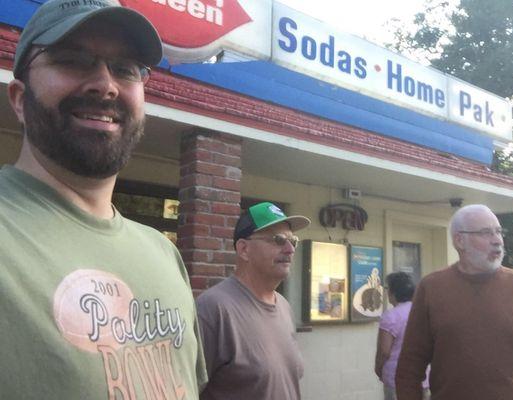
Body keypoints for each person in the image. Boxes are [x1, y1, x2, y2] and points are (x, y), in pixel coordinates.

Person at [0, 1, 207, 398]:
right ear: (18, 99)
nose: (105, 84)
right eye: (73, 60)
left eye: (125, 69)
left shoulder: (164, 254)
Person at [396, 204, 513, 400]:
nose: (497, 241)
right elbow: (410, 366)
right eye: (486, 233)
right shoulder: (432, 288)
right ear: (460, 240)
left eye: (498, 232)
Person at [196, 202, 310, 400]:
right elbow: (185, 389)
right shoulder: (213, 309)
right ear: (244, 249)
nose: (290, 249)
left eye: (293, 241)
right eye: (278, 239)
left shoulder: (283, 306)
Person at [374, 272, 430, 400]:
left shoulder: (390, 316)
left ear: (393, 293)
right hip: (421, 376)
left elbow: (384, 351)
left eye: (388, 289)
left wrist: (378, 368)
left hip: (396, 378)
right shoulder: (423, 312)